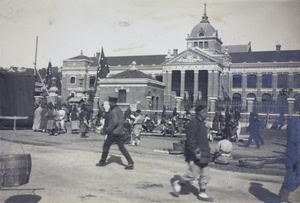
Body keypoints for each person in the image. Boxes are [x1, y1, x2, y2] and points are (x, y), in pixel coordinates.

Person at [172, 105, 213, 202]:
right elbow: (190, 141)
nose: (206, 114)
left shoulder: (201, 123)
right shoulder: (193, 124)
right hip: (195, 154)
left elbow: (203, 140)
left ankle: (202, 193)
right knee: (192, 175)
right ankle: (179, 183)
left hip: (203, 153)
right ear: (199, 113)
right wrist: (195, 152)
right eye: (205, 112)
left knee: (205, 173)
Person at [96, 97, 134, 170]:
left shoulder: (113, 111)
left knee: (106, 145)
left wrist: (108, 130)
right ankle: (130, 162)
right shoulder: (119, 110)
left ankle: (102, 162)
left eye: (110, 102)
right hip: (120, 132)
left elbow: (114, 122)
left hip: (114, 132)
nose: (109, 104)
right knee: (122, 148)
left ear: (112, 103)